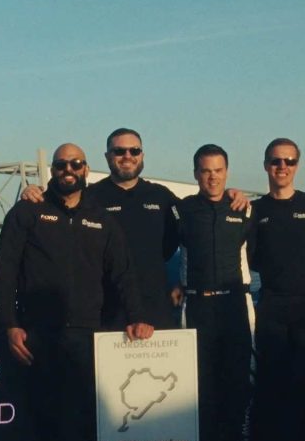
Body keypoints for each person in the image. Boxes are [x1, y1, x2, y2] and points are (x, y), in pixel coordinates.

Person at [0, 143, 154, 441]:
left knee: (92, 417)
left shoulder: (101, 217)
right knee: (49, 417)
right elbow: (5, 272)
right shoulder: (27, 211)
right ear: (52, 170)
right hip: (40, 333)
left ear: (86, 168)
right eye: (62, 164)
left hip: (89, 333)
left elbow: (123, 273)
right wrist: (10, 325)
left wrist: (137, 316)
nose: (69, 169)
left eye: (76, 164)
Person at [20, 129, 248, 328]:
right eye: (119, 151)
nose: (127, 156)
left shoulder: (161, 197)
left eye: (134, 150)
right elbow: (59, 206)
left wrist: (230, 195)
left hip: (155, 306)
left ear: (142, 155)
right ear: (107, 156)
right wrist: (35, 191)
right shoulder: (90, 196)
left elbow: (199, 219)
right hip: (104, 307)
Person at [247, 138, 305, 441]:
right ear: (266, 165)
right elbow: (246, 258)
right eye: (276, 161)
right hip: (274, 308)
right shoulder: (255, 210)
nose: (283, 167)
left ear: (298, 165)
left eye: (289, 161)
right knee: (271, 389)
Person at [172, 144, 254, 441]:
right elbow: (155, 249)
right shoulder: (182, 210)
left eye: (218, 170)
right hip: (198, 307)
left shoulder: (244, 208)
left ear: (227, 172)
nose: (212, 177)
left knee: (238, 387)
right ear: (195, 173)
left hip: (235, 306)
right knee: (202, 389)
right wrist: (172, 285)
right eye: (205, 170)